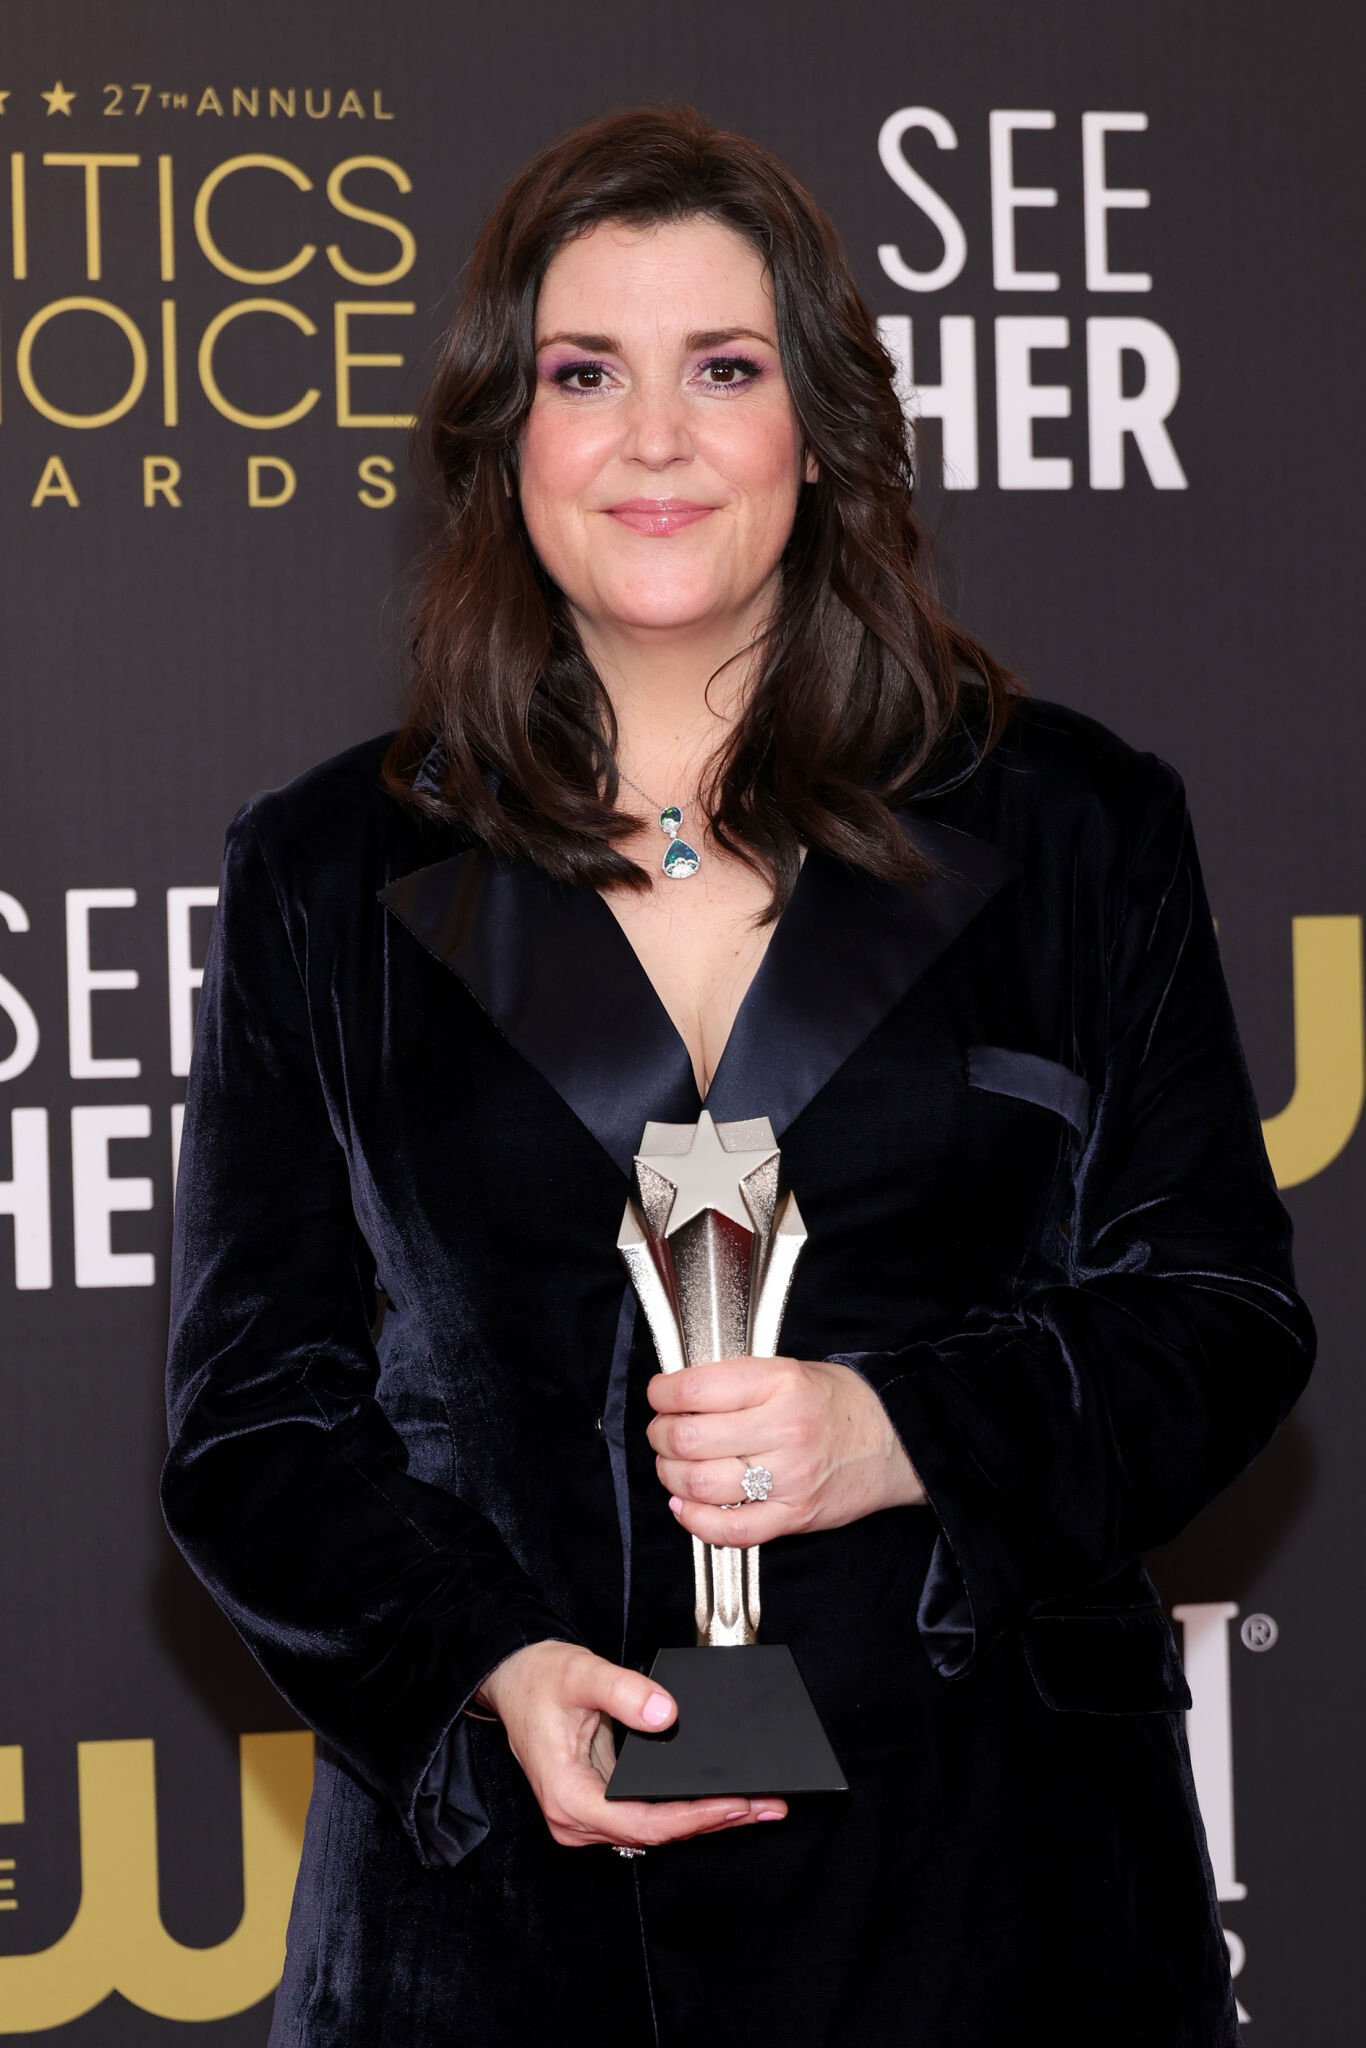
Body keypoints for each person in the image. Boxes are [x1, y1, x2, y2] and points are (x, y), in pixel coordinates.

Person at [161, 103, 1315, 2047]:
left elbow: (1215, 1316)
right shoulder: (324, 874)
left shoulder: (1072, 823)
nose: (653, 440)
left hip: (997, 1899)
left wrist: (903, 1430)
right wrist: (482, 1670)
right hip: (501, 1931)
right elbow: (252, 1427)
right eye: (582, 374)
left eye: (721, 368)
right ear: (500, 436)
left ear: (821, 429)